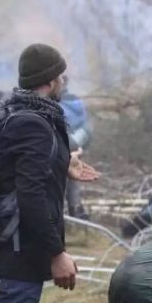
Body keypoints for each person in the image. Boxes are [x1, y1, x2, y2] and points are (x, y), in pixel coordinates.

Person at [0, 43, 97, 303]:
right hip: (15, 258)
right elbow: (31, 195)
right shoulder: (34, 123)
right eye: (62, 75)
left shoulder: (16, 113)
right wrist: (56, 253)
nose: (65, 80)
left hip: (1, 253)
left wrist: (62, 164)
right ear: (52, 79)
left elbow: (17, 176)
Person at [60, 86, 92, 220]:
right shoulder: (78, 103)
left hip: (64, 144)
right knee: (74, 179)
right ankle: (76, 210)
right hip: (78, 145)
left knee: (61, 182)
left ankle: (61, 214)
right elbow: (87, 127)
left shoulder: (57, 104)